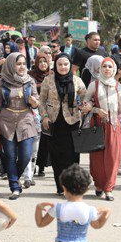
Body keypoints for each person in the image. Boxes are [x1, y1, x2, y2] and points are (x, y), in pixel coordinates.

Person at [35, 164, 111, 242]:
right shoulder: (90, 210)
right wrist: (106, 213)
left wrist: (38, 208)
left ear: (64, 187)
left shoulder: (58, 208)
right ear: (87, 189)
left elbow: (40, 223)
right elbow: (97, 225)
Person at [0, 53, 39, 200]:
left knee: (25, 155)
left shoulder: (30, 81)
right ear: (12, 65)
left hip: (26, 121)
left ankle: (14, 177)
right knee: (10, 156)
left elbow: (37, 103)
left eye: (24, 63)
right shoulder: (3, 82)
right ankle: (14, 187)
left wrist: (34, 102)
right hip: (6, 123)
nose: (22, 67)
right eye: (18, 64)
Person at [83, 58, 121, 201]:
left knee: (113, 158)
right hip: (97, 125)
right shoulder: (94, 84)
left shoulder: (118, 86)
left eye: (110, 66)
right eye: (104, 66)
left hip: (114, 126)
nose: (107, 69)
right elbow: (85, 104)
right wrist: (96, 109)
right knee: (97, 159)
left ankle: (109, 188)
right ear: (100, 68)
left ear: (114, 69)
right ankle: (99, 184)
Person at [39, 53, 87, 195]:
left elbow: (84, 98)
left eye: (66, 64)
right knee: (57, 157)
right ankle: (60, 187)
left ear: (70, 65)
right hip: (54, 124)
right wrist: (44, 117)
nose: (63, 67)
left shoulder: (77, 80)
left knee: (72, 157)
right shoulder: (48, 80)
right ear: (55, 65)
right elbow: (41, 101)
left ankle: (72, 187)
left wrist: (82, 106)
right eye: (60, 64)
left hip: (72, 122)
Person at [28, 53, 53, 177]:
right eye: (40, 62)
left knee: (46, 141)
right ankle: (33, 166)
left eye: (45, 61)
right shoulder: (30, 76)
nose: (43, 64)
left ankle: (42, 165)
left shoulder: (52, 75)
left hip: (50, 111)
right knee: (36, 140)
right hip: (34, 112)